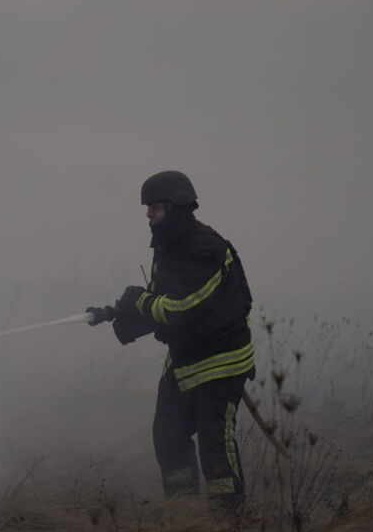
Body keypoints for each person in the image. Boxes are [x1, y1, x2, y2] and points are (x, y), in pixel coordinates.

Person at [88, 171, 255, 514]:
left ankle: (231, 523)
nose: (148, 215)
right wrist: (118, 314)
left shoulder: (206, 249)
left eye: (154, 208)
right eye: (147, 209)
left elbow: (181, 308)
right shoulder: (167, 244)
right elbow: (159, 298)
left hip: (221, 362)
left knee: (215, 445)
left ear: (176, 206)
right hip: (184, 358)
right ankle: (184, 515)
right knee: (168, 437)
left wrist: (139, 301)